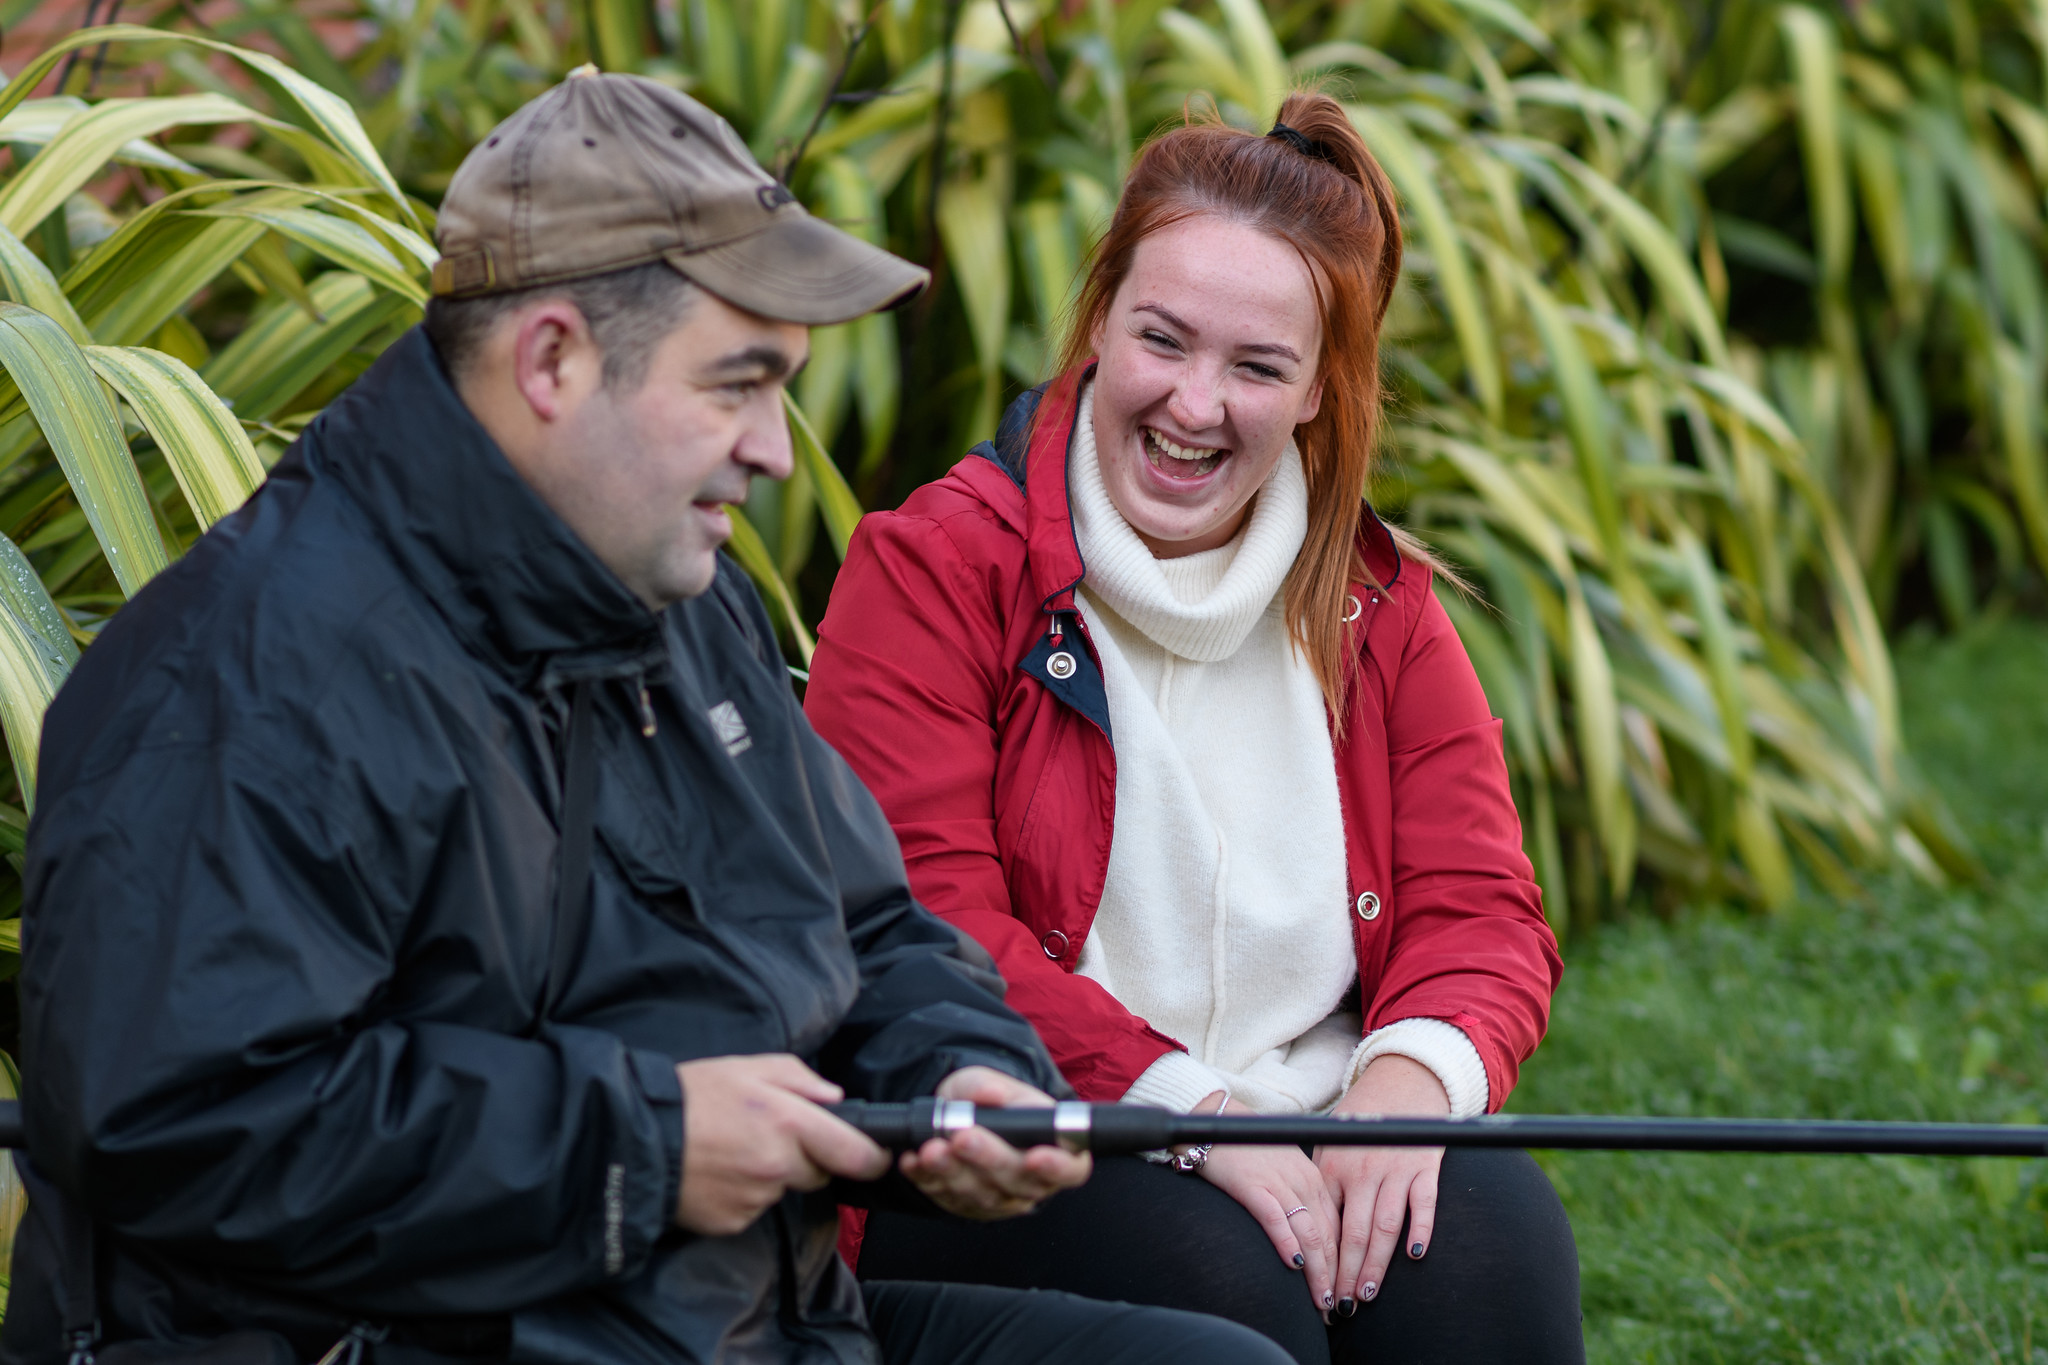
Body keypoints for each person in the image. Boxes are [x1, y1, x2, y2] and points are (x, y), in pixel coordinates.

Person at [0, 73, 1295, 1365]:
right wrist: (641, 1148)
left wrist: (954, 1078)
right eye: (737, 384)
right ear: (553, 358)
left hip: (744, 1325)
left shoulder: (681, 597)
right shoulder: (244, 671)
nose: (777, 447)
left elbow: (870, 927)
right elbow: (171, 1126)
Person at [804, 92, 1582, 1364]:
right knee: (1223, 1279)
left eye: (1258, 367)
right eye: (1161, 339)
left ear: (1321, 393)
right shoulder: (936, 569)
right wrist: (1188, 1110)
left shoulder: (1378, 608)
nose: (1193, 404)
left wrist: (1397, 1097)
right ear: (1097, 323)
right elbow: (918, 922)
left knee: (1484, 1235)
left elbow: (1481, 910)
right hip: (1037, 1131)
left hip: (1314, 1110)